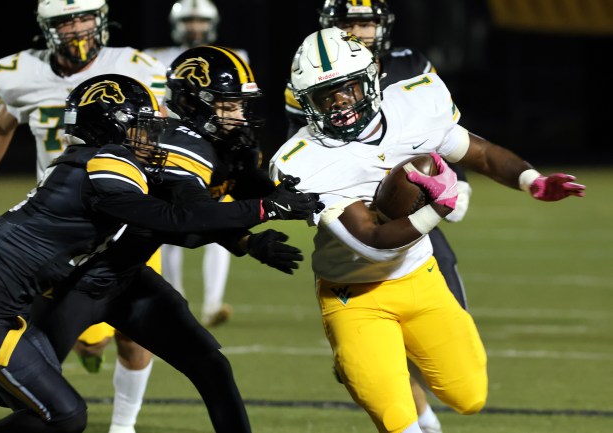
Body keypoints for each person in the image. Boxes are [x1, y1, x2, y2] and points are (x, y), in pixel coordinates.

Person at [269, 27, 585, 433]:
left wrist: (532, 181)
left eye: (347, 88)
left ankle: (368, 361)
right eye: (324, 96)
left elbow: (481, 153)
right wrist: (440, 205)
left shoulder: (415, 103)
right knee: (396, 417)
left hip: (421, 277)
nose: (340, 104)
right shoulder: (303, 161)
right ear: (305, 103)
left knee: (469, 396)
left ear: (372, 77)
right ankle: (357, 356)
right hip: (354, 294)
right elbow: (373, 243)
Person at [0, 72, 319, 432]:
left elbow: (179, 216)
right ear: (111, 126)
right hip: (73, 286)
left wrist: (246, 238)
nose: (152, 136)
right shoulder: (105, 162)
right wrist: (264, 209)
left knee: (207, 363)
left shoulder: (105, 160)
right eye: (141, 126)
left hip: (124, 276)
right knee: (53, 407)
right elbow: (179, 218)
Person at [283, 1, 468, 431]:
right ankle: (419, 421)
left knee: (446, 309)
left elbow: (440, 133)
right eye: (350, 22)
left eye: (367, 21)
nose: (360, 30)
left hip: (413, 204)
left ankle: (421, 411)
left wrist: (449, 179)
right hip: (355, 208)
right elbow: (316, 151)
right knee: (376, 337)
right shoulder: (309, 78)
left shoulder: (410, 65)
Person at [0, 1, 171, 431]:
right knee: (75, 342)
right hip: (65, 230)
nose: (76, 28)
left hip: (127, 219)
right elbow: (1, 127)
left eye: (84, 17)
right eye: (65, 20)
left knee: (138, 330)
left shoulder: (136, 66)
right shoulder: (20, 74)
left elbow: (162, 130)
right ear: (46, 27)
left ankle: (123, 427)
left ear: (103, 17)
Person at [145, 0, 248, 327]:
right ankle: (176, 298)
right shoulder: (155, 56)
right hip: (173, 146)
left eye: (200, 20)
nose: (194, 26)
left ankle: (213, 302)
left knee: (222, 218)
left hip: (216, 148)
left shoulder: (234, 56)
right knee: (169, 222)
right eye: (189, 20)